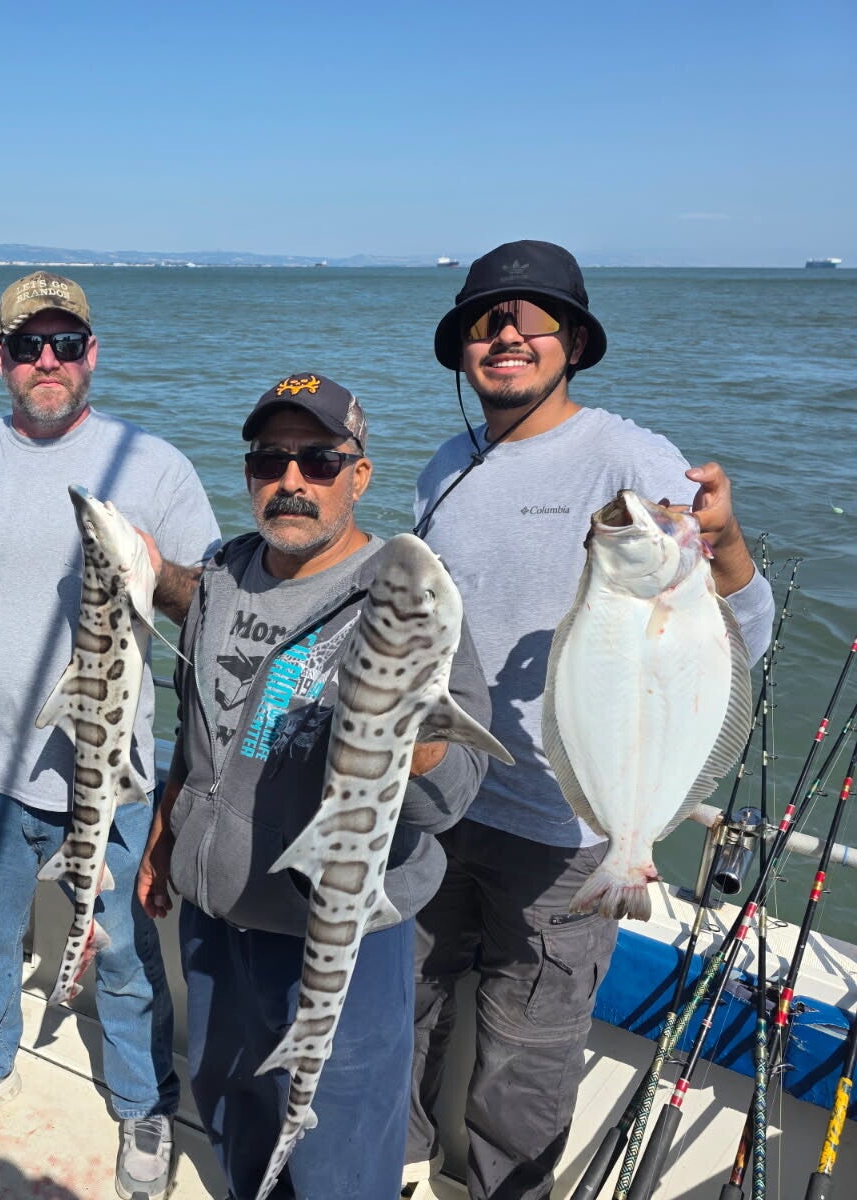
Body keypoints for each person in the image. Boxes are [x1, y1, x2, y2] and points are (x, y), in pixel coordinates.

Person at [404, 241, 776, 1200]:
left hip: (568, 834)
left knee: (527, 1052)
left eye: (534, 319)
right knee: (406, 1005)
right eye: (486, 321)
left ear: (572, 342)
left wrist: (727, 545)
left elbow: (743, 631)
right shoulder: (446, 466)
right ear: (461, 349)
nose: (508, 336)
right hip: (440, 800)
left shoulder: (630, 458)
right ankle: (391, 1167)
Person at [134, 372, 492, 1200]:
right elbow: (201, 728)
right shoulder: (224, 574)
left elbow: (452, 798)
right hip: (214, 922)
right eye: (270, 459)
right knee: (232, 1112)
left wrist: (409, 731)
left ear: (358, 474)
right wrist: (164, 835)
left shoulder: (404, 597)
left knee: (339, 1159)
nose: (291, 480)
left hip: (334, 940)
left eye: (319, 461)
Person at [0, 272, 220, 1200]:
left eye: (66, 343)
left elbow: (209, 602)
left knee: (123, 951)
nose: (47, 360)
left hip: (111, 769)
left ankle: (142, 1099)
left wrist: (158, 571)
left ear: (93, 354)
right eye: (27, 345)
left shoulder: (153, 465)